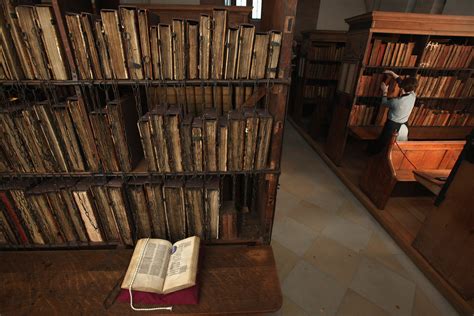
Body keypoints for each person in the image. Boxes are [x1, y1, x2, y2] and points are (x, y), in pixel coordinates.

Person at [368, 70, 418, 155]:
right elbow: (402, 84)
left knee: (383, 142)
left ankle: (373, 157)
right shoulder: (413, 95)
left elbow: (384, 103)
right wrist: (393, 74)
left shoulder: (397, 101)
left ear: (401, 89)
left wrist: (384, 91)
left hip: (392, 125)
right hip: (404, 125)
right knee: (398, 145)